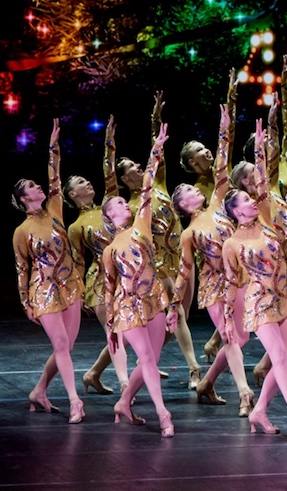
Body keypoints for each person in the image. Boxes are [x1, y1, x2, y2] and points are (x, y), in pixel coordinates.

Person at [221, 119, 287, 441]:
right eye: (244, 201)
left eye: (250, 198)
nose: (251, 200)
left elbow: (262, 183)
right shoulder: (231, 243)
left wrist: (260, 149)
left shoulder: (268, 224)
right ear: (235, 212)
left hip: (284, 297)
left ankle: (259, 410)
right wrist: (229, 320)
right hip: (258, 303)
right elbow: (231, 283)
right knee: (279, 358)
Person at [170, 104, 258, 417]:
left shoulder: (220, 206)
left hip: (239, 278)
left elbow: (222, 160)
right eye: (183, 191)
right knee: (233, 336)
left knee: (243, 335)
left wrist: (226, 123)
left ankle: (207, 381)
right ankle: (244, 391)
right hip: (213, 288)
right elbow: (183, 272)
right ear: (182, 204)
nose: (191, 190)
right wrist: (173, 308)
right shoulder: (189, 233)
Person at [114, 91, 201, 389]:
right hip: (160, 264)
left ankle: (106, 367)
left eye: (140, 167)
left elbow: (158, 152)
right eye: (133, 170)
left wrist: (156, 118)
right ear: (125, 179)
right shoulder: (132, 205)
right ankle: (194, 368)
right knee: (176, 315)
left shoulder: (158, 184)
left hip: (183, 258)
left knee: (179, 317)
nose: (140, 169)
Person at [12, 118, 86, 423]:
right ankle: (74, 401)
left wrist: (53, 145)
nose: (39, 186)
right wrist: (25, 302)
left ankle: (39, 390)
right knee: (60, 345)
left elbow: (55, 176)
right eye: (32, 186)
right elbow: (21, 268)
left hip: (70, 285)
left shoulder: (55, 209)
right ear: (24, 198)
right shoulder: (21, 231)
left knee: (66, 346)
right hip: (43, 292)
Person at [102, 123, 174, 437]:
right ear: (108, 216)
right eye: (118, 203)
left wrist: (155, 150)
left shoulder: (141, 226)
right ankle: (163, 413)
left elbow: (146, 188)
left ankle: (124, 403)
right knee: (146, 358)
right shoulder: (109, 250)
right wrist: (110, 328)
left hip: (155, 298)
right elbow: (108, 289)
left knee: (151, 359)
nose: (124, 203)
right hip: (127, 307)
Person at [68, 115, 127, 395]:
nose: (88, 183)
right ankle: (126, 383)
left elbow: (110, 175)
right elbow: (78, 262)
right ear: (71, 193)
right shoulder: (76, 226)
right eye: (81, 182)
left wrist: (109, 145)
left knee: (126, 332)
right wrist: (79, 294)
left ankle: (93, 373)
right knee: (116, 333)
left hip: (126, 274)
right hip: (100, 281)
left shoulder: (108, 207)